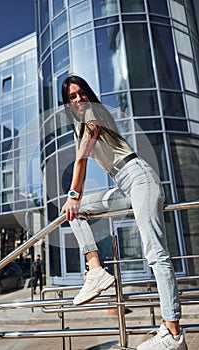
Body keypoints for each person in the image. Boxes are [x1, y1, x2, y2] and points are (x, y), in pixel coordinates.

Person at [60, 75, 188, 350]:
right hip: (125, 185)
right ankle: (95, 270)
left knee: (155, 253)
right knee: (77, 211)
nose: (79, 99)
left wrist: (72, 195)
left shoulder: (93, 113)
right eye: (72, 96)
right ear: (67, 104)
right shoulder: (81, 125)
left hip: (139, 178)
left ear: (88, 94)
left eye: (81, 93)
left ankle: (174, 332)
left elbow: (81, 159)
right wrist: (74, 201)